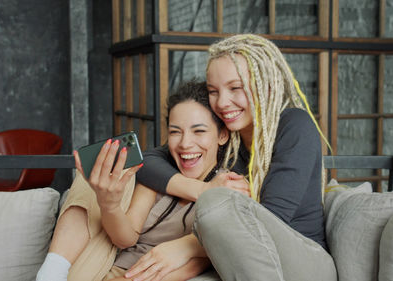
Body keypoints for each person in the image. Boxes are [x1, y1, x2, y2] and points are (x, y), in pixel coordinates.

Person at [136, 34, 337, 281]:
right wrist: (201, 188)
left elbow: (270, 219)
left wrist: (186, 247)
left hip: (304, 264)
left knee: (215, 203)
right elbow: (146, 162)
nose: (222, 102)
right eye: (213, 91)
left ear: (266, 85)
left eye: (235, 88)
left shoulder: (295, 125)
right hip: (242, 260)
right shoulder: (226, 134)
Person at [36, 80, 228, 281]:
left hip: (135, 276)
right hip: (101, 258)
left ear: (222, 134)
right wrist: (108, 204)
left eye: (199, 131)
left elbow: (201, 260)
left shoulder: (228, 187)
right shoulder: (160, 172)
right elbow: (126, 238)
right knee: (98, 175)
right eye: (175, 132)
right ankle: (51, 271)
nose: (185, 143)